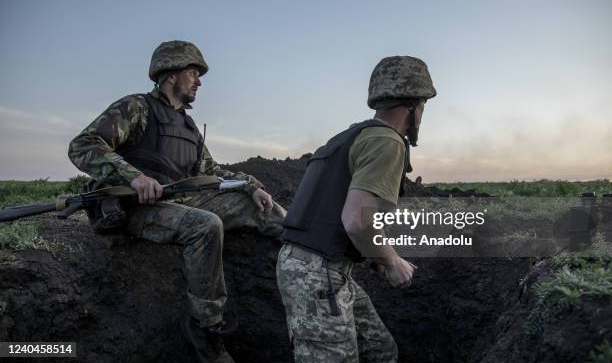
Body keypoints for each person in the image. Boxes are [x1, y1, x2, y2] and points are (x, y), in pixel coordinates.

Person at [68, 40, 286, 363]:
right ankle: (206, 328)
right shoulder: (137, 108)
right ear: (171, 75)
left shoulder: (189, 127)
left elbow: (211, 172)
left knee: (261, 207)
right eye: (193, 72)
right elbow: (83, 145)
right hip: (140, 210)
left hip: (184, 202)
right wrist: (133, 177)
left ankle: (311, 248)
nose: (199, 81)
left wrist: (250, 185)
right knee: (206, 226)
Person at [277, 56, 437, 362]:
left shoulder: (350, 136)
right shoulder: (387, 142)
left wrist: (375, 257)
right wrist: (392, 262)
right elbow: (356, 221)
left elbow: (333, 209)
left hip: (318, 266)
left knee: (380, 350)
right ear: (413, 107)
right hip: (317, 273)